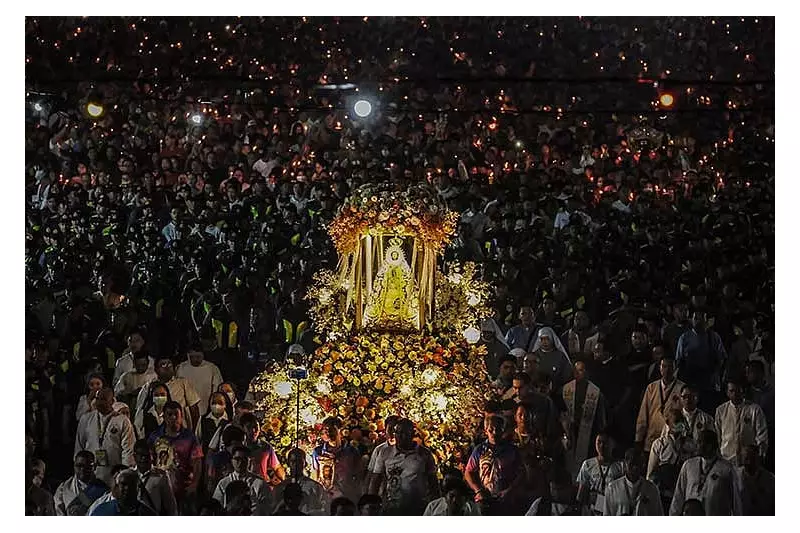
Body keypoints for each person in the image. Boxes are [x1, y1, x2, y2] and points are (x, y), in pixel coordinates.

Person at [147, 400, 204, 513]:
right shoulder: (155, 437)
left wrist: (194, 484)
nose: (173, 418)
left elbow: (197, 462)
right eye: (169, 414)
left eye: (176, 414)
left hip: (183, 487)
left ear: (181, 416)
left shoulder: (190, 437)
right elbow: (149, 458)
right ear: (164, 417)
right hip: (160, 487)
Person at [373, 418, 439, 515]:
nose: (401, 437)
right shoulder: (385, 453)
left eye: (405, 433)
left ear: (412, 434)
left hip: (417, 508)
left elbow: (433, 481)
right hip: (391, 507)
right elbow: (376, 480)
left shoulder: (424, 454)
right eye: (398, 433)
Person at [670, 430, 742, 516]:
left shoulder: (726, 470)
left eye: (700, 442)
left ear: (710, 446)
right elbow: (679, 496)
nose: (697, 445)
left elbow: (736, 503)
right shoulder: (688, 466)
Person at [74, 387, 135, 485]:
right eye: (97, 399)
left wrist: (124, 475)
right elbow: (79, 445)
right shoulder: (86, 418)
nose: (99, 402)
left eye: (103, 399)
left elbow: (128, 451)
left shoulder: (122, 421)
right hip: (90, 473)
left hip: (113, 473)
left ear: (112, 401)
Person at [465, 414, 523, 515]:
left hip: (508, 499)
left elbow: (521, 472)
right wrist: (478, 491)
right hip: (486, 500)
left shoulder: (512, 450)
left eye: (498, 429)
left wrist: (511, 490)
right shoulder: (480, 450)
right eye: (491, 430)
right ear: (486, 431)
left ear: (503, 430)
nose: (494, 433)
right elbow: (468, 472)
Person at [561, 360, 607, 476]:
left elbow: (601, 416)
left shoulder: (595, 392)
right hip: (571, 430)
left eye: (580, 370)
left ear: (586, 372)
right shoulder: (567, 389)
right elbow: (562, 412)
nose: (577, 373)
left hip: (589, 432)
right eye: (575, 371)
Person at [135, 356, 201, 432]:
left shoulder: (182, 383)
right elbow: (140, 410)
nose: (167, 368)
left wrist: (193, 432)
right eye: (163, 365)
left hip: (180, 431)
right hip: (153, 430)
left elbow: (194, 409)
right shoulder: (148, 386)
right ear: (156, 369)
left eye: (169, 365)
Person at [635, 356, 685, 453]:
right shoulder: (651, 387)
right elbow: (643, 415)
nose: (667, 370)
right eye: (664, 366)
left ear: (675, 368)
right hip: (651, 438)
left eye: (670, 367)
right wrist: (638, 438)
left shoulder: (682, 388)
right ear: (660, 368)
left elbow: (684, 415)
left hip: (672, 441)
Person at [647, 408, 693, 511]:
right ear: (668, 423)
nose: (680, 424)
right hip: (664, 493)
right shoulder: (659, 444)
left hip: (683, 491)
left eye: (682, 421)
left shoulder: (690, 444)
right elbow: (651, 473)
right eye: (676, 421)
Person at [714, 379, 769, 465]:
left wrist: (761, 455)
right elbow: (717, 435)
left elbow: (762, 435)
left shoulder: (754, 409)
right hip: (726, 458)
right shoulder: (721, 410)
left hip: (749, 460)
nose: (735, 394)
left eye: (738, 390)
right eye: (731, 391)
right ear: (727, 393)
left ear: (743, 391)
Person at [311, 417, 364, 504]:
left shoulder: (351, 451)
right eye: (325, 429)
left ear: (340, 430)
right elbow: (315, 476)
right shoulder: (318, 452)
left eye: (331, 429)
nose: (327, 432)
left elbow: (358, 476)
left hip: (346, 497)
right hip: (325, 498)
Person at [212, 445, 271, 515]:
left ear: (249, 461)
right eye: (237, 459)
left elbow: (267, 508)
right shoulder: (223, 483)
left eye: (244, 459)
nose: (240, 463)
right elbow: (216, 506)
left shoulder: (259, 483)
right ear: (232, 460)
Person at [603, 448, 663, 515]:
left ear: (643, 465)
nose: (635, 468)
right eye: (632, 464)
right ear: (625, 464)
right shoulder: (612, 488)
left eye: (638, 464)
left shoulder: (651, 489)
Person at [576, 432, 624, 515]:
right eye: (599, 442)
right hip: (591, 510)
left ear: (613, 445)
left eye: (606, 443)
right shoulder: (587, 464)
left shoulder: (621, 466)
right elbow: (581, 494)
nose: (601, 446)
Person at [273, 447, 329, 515]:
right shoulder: (280, 488)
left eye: (299, 461)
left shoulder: (316, 487)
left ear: (305, 463)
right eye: (293, 461)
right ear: (288, 463)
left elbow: (326, 510)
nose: (296, 464)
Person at [54, 450, 110, 515]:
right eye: (79, 465)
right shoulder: (64, 487)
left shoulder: (102, 489)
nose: (82, 469)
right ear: (74, 466)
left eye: (87, 466)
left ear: (94, 467)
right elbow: (58, 511)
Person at [176, 341, 223, 415]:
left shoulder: (212, 368)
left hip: (206, 408)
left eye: (198, 357)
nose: (195, 360)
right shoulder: (181, 368)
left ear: (203, 355)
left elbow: (217, 389)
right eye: (192, 357)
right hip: (186, 410)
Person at [132, 438, 177, 516]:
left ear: (153, 456)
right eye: (141, 455)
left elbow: (170, 505)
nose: (144, 458)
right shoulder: (129, 475)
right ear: (134, 456)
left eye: (147, 455)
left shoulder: (161, 476)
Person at [240, 412, 285, 486]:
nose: (254, 430)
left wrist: (281, 481)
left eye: (256, 427)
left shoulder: (265, 447)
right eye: (249, 427)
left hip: (262, 486)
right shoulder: (239, 447)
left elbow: (277, 467)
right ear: (243, 428)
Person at [89, 469, 156, 515]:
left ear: (138, 488)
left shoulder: (147, 513)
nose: (127, 488)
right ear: (117, 487)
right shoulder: (102, 511)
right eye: (123, 484)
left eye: (131, 484)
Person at [530, 326, 572, 390]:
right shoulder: (534, 355)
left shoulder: (560, 355)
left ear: (552, 339)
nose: (544, 342)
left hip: (557, 390)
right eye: (542, 339)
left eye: (547, 339)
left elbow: (566, 374)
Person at [676, 383, 716, 451]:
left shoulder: (706, 418)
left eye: (691, 396)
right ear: (680, 398)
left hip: (699, 456)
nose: (688, 399)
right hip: (678, 456)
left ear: (697, 398)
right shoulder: (675, 418)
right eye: (684, 396)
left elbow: (712, 442)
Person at [367, 414, 400, 495]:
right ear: (385, 430)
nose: (392, 434)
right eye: (390, 430)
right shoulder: (379, 450)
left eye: (395, 430)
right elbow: (372, 476)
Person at [738, 444, 774, 516]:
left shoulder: (771, 479)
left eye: (752, 459)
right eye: (746, 459)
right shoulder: (735, 477)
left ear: (759, 459)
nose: (749, 462)